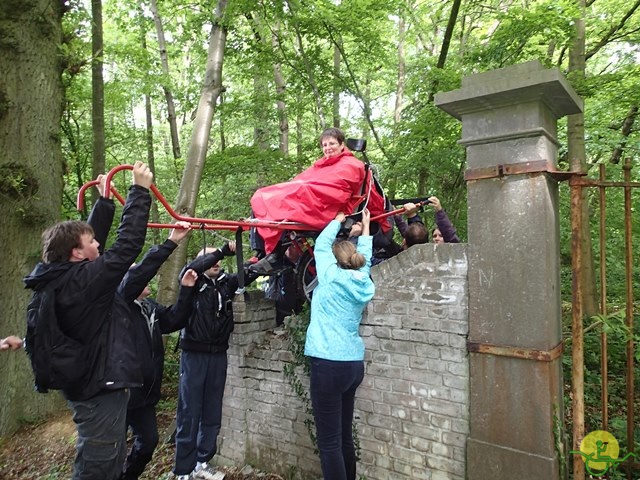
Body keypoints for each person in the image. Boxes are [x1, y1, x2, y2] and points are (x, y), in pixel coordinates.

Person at [23, 162, 154, 480]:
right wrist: (139, 191)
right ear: (77, 254)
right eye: (92, 243)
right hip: (98, 394)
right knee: (98, 467)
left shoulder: (62, 278)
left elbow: (90, 243)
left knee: (106, 462)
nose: (98, 244)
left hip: (93, 388)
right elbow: (126, 248)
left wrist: (105, 203)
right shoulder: (80, 284)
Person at [248, 127, 390, 275]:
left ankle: (274, 255)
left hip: (328, 207)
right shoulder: (322, 164)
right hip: (312, 199)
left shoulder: (352, 164)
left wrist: (303, 190)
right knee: (263, 196)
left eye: (332, 144)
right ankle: (262, 252)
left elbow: (337, 190)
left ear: (342, 145)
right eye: (325, 145)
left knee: (288, 195)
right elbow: (303, 180)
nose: (328, 148)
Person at [172, 242, 259, 480]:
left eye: (217, 260)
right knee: (190, 411)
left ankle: (202, 462)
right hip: (194, 355)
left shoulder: (226, 283)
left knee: (212, 410)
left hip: (218, 354)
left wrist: (272, 253)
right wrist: (219, 250)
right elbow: (191, 269)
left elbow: (254, 269)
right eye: (209, 259)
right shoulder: (192, 281)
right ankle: (183, 470)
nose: (216, 263)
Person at [118, 225, 199, 480]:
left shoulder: (148, 307)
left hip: (144, 395)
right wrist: (170, 242)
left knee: (149, 441)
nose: (146, 280)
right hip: (120, 393)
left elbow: (174, 320)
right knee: (112, 450)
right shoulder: (119, 305)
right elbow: (136, 276)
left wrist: (186, 290)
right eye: (138, 277)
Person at [304, 209, 375, 480]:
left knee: (330, 443)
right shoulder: (362, 279)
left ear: (335, 262)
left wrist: (337, 219)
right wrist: (365, 226)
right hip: (353, 366)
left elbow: (321, 245)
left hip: (328, 365)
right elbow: (365, 258)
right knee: (344, 436)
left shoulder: (331, 277)